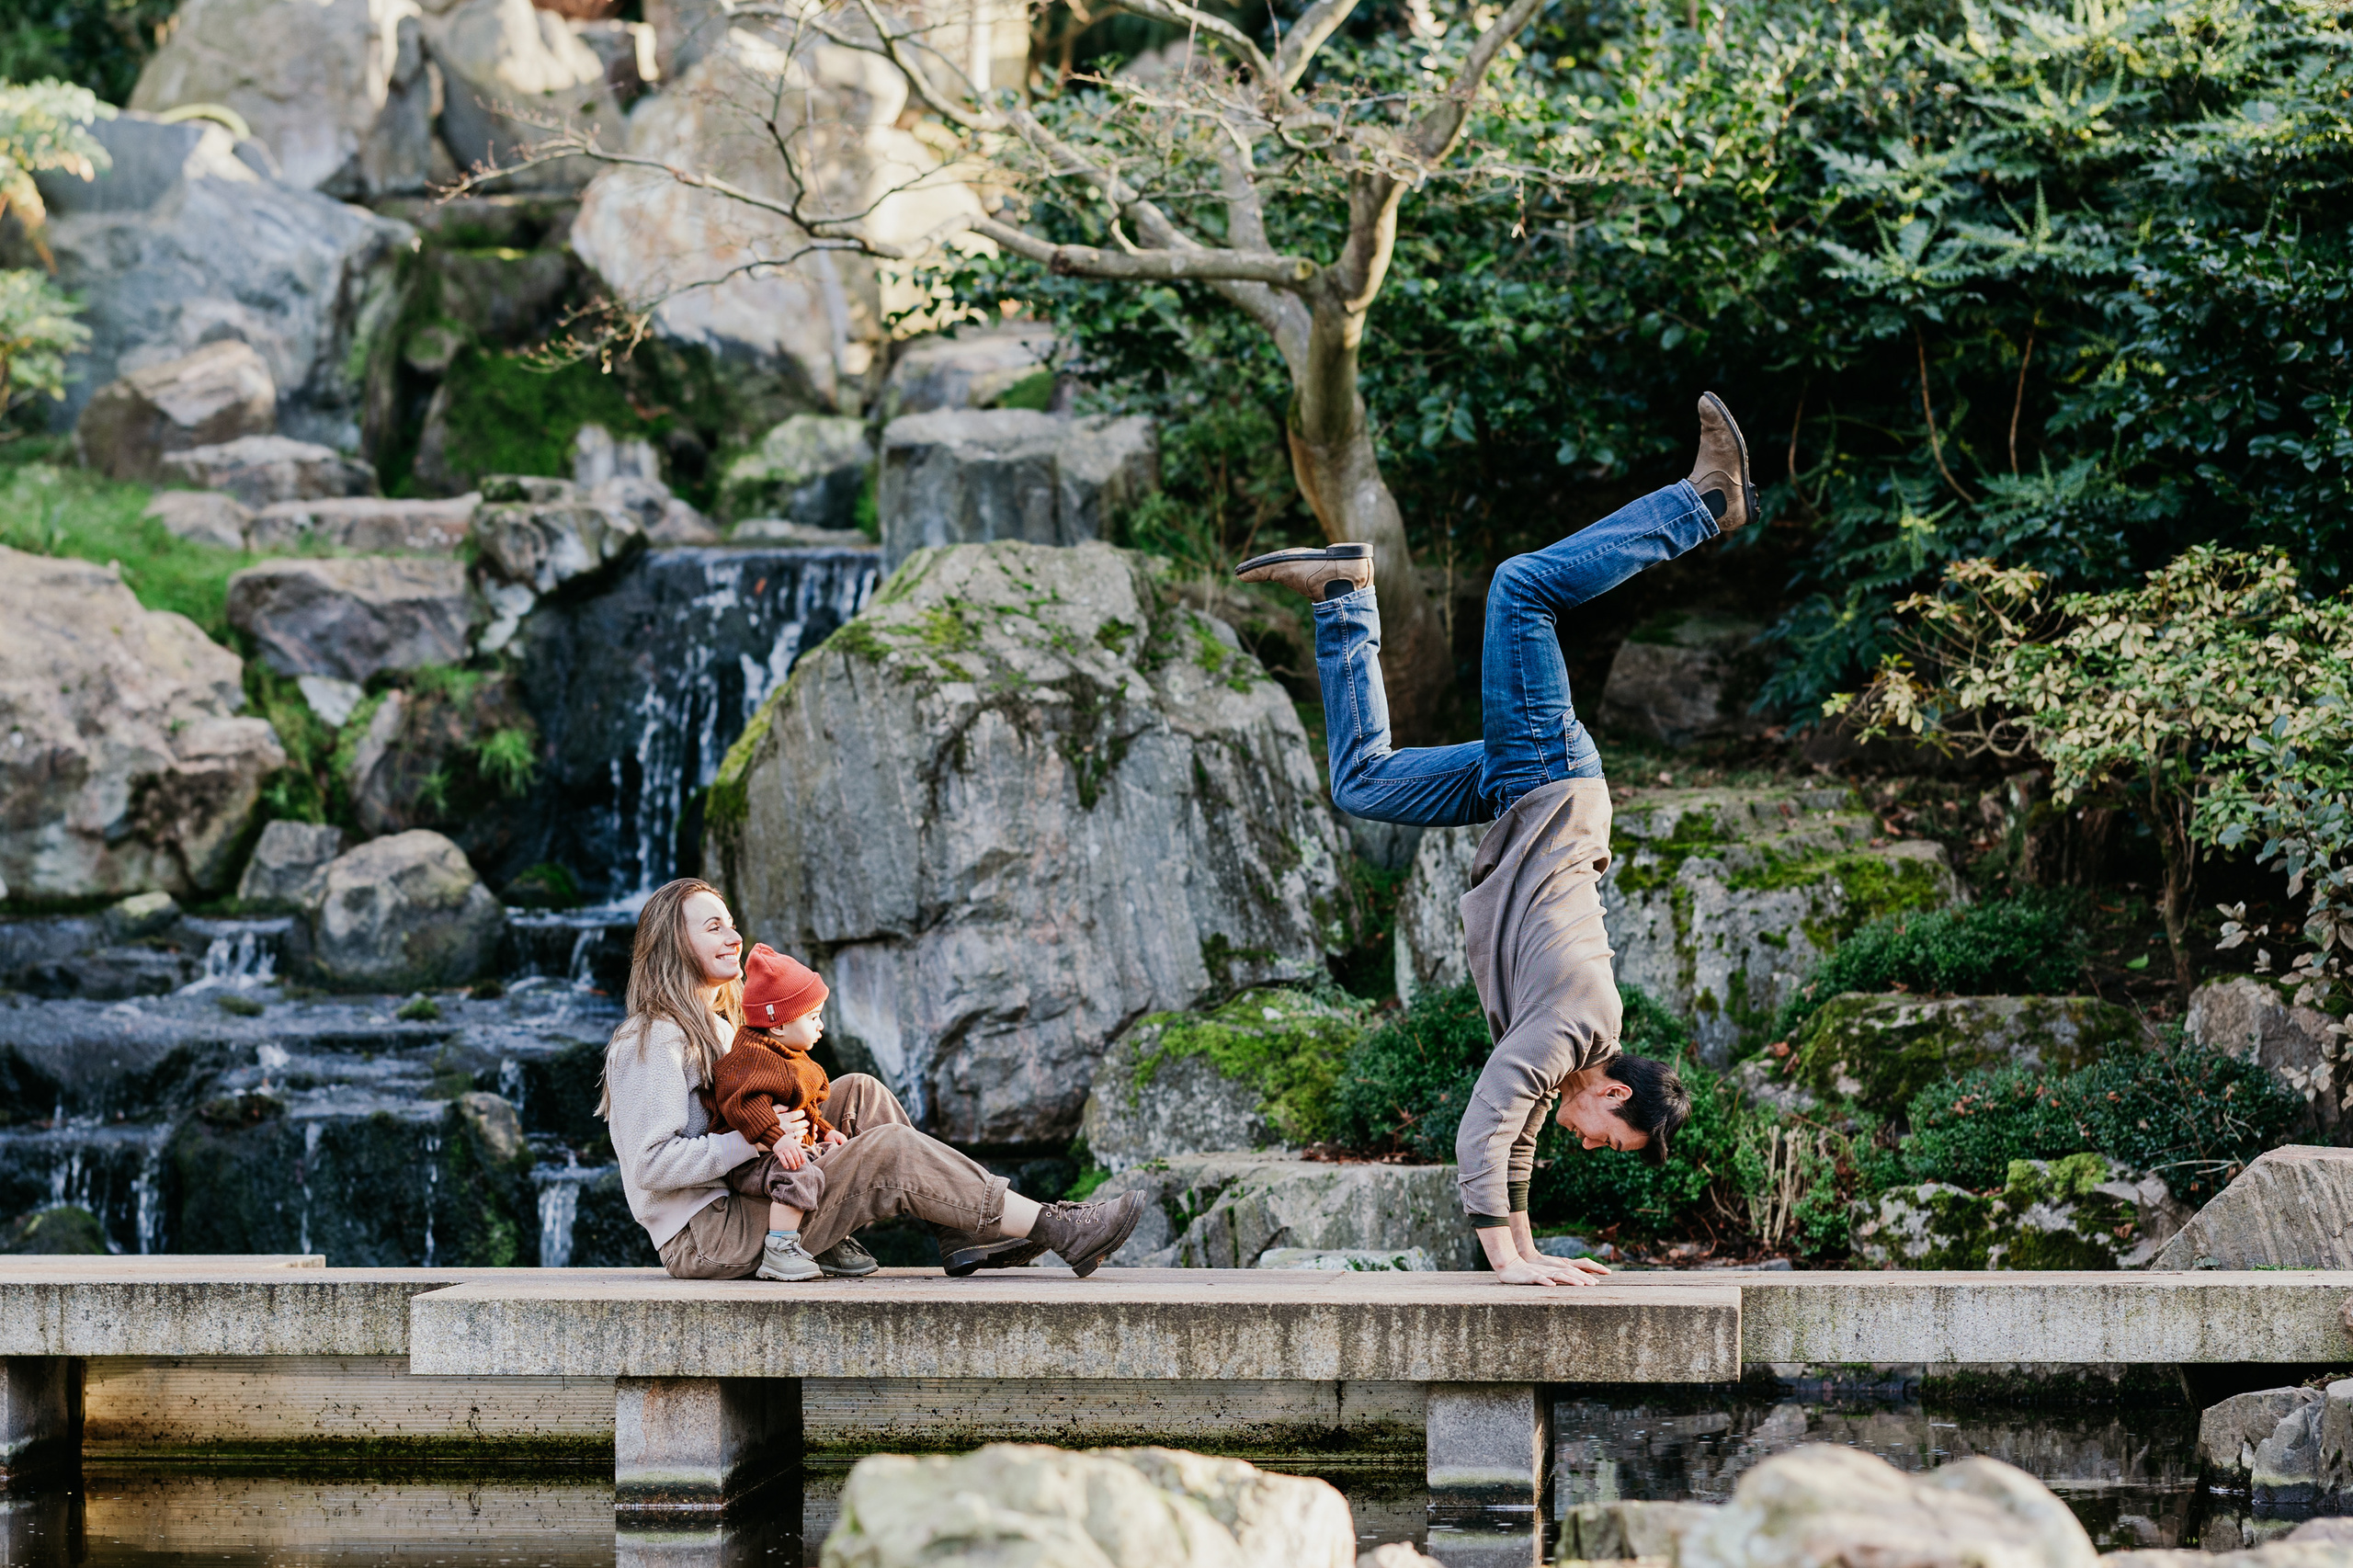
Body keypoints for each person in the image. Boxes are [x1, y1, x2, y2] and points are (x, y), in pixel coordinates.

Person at [1235, 392, 1756, 1288]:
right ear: (1613, 1089)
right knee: (1521, 587)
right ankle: (1703, 504)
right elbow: (1487, 1120)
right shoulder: (1575, 1026)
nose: (1590, 1144)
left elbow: (1513, 1132)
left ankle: (1342, 594)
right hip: (1544, 778)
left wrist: (1526, 1251)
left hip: (1527, 798)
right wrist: (1504, 1259)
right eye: (1607, 1134)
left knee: (1362, 780)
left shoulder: (1573, 1046)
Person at [597, 877, 1145, 1280]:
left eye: (732, 924)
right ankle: (1056, 1229)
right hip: (709, 1238)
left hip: (749, 1197)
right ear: (673, 943)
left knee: (858, 1092)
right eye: (712, 927)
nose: (733, 936)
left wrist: (808, 1129)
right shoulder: (649, 1042)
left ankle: (964, 1232)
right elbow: (651, 1165)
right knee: (891, 1150)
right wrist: (747, 1139)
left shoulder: (718, 1027)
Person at [702, 942, 857, 1281]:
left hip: (785, 1149)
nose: (821, 1027)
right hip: (752, 1163)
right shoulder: (749, 1060)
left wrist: (825, 1128)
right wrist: (775, 1139)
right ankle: (780, 1248)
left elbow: (804, 1106)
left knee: (834, 1157)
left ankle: (829, 1238)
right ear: (778, 1024)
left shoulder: (790, 1053)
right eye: (813, 1017)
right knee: (798, 1174)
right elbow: (743, 1105)